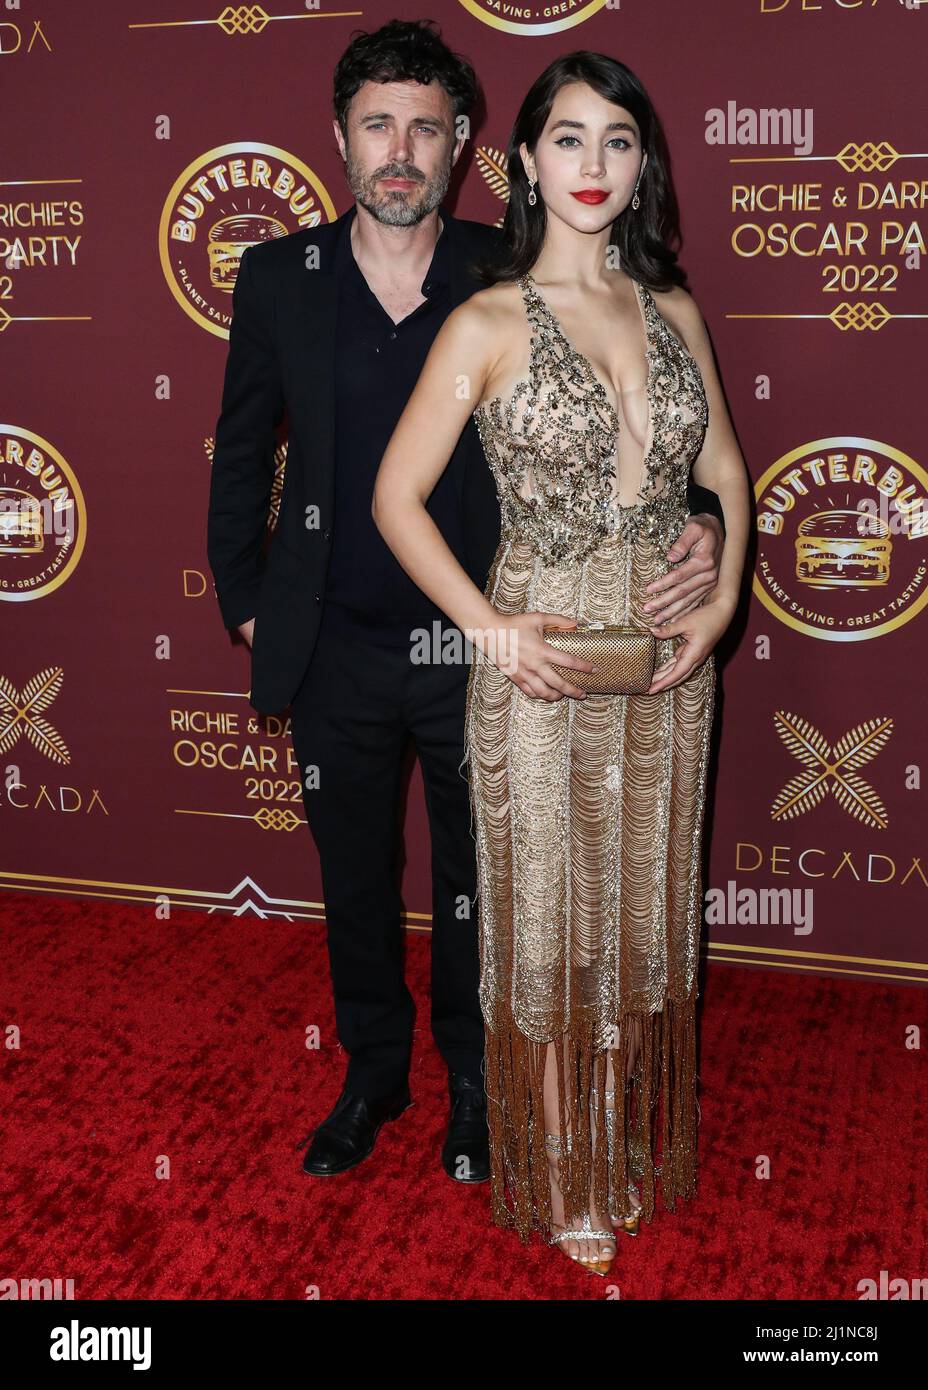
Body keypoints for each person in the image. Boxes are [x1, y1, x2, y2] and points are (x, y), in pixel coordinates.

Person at [206, 22, 726, 1200]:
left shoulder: (510, 265)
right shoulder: (277, 278)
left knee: (486, 889)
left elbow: (630, 428)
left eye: (425, 127)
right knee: (352, 877)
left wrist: (697, 523)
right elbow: (240, 452)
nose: (400, 150)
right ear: (341, 140)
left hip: (487, 642)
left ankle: (479, 1092)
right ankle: (370, 1075)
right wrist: (248, 603)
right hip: (332, 639)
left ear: (463, 148)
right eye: (378, 125)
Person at [372, 50, 749, 1274]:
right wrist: (485, 628)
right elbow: (395, 496)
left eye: (618, 141)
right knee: (546, 927)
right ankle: (564, 1165)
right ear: (525, 162)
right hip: (539, 658)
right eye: (569, 139)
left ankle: (617, 1136)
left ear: (644, 167)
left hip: (667, 659)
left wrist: (724, 582)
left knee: (641, 915)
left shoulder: (675, 308)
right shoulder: (482, 319)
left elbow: (728, 480)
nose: (593, 166)